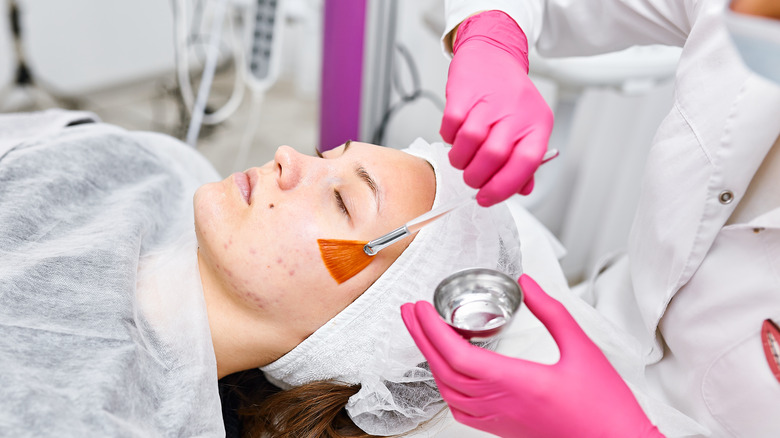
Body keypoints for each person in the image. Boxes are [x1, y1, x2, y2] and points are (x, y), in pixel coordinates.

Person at [0, 108, 528, 437]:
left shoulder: (89, 420)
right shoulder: (149, 168)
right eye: (327, 155)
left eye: (343, 202)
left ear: (357, 334)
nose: (287, 157)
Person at [403, 0, 780, 437]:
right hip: (600, 322)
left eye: (344, 201)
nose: (736, 12)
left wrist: (622, 431)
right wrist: (492, 36)